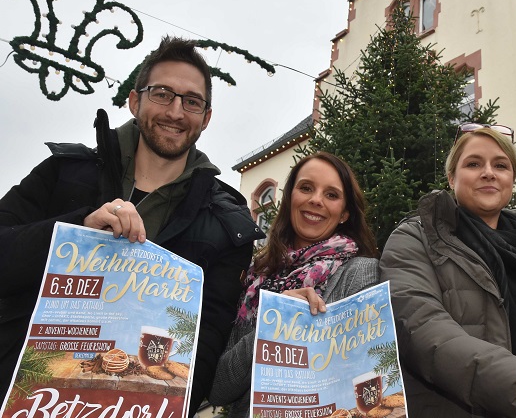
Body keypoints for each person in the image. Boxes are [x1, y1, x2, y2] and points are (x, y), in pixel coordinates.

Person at [0, 36, 264, 414]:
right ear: (135, 100)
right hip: (24, 397)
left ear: (205, 119)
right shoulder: (64, 172)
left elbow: (206, 342)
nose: (176, 111)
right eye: (162, 94)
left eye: (191, 101)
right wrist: (77, 229)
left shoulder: (227, 222)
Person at [380, 126, 516, 418]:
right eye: (473, 164)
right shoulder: (414, 239)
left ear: (511, 178)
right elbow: (423, 329)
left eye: (501, 165)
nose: (489, 172)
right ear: (452, 177)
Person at [209, 152, 380, 418]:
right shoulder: (256, 277)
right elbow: (219, 390)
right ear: (290, 198)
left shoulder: (361, 273)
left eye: (331, 195)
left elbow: (365, 377)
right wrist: (274, 320)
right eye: (306, 188)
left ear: (345, 213)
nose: (316, 200)